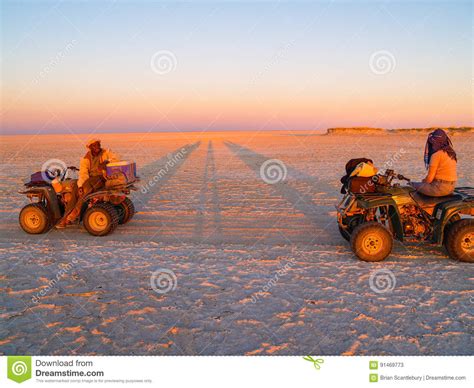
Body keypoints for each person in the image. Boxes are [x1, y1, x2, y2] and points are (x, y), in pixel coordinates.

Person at [56, 138, 119, 228]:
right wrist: (80, 186)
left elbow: (116, 159)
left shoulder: (106, 152)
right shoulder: (86, 158)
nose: (97, 147)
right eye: (94, 145)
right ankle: (66, 216)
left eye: (98, 144)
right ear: (90, 148)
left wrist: (107, 162)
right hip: (91, 179)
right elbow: (83, 173)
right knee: (76, 189)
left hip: (103, 178)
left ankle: (73, 214)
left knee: (85, 189)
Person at [410, 129, 457, 197]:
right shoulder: (451, 153)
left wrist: (422, 182)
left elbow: (429, 179)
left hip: (439, 188)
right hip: (451, 188)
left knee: (410, 185)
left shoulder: (436, 155)